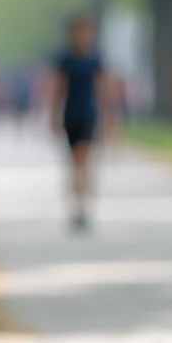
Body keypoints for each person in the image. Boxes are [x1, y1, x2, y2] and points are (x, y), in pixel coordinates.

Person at [50, 15, 115, 231]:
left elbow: (104, 91)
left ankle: (84, 205)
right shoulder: (65, 59)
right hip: (71, 114)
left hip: (89, 114)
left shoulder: (96, 59)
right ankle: (76, 204)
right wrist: (53, 116)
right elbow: (58, 90)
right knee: (75, 162)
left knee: (83, 157)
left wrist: (109, 119)